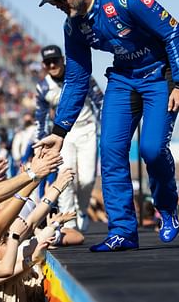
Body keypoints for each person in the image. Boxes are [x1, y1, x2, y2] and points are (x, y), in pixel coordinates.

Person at [36, 0, 179, 251]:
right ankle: (122, 231)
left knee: (152, 149)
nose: (57, 4)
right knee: (110, 150)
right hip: (123, 79)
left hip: (160, 75)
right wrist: (60, 131)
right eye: (53, 0)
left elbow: (174, 32)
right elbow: (77, 78)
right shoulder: (73, 25)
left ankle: (167, 207)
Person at [35, 44, 103, 231]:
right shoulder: (43, 87)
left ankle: (81, 210)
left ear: (62, 60)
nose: (51, 65)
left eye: (54, 61)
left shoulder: (81, 76)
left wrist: (102, 127)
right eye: (47, 63)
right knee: (66, 175)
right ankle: (68, 219)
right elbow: (39, 117)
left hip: (86, 130)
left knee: (87, 179)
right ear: (43, 65)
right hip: (63, 134)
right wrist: (40, 141)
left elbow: (100, 100)